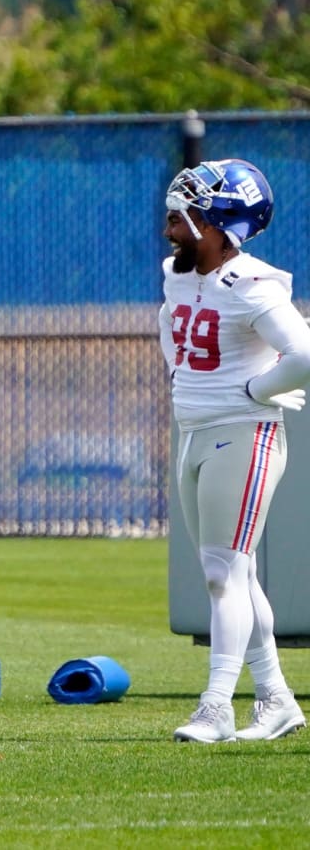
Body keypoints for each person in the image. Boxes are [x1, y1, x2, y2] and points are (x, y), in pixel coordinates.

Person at [161, 158, 310, 743]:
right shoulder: (179, 277)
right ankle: (276, 700)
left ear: (221, 226)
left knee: (225, 574)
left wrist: (259, 388)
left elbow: (304, 354)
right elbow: (174, 336)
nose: (173, 225)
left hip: (244, 432)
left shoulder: (252, 284)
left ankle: (216, 704)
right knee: (231, 575)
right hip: (196, 432)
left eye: (186, 215)